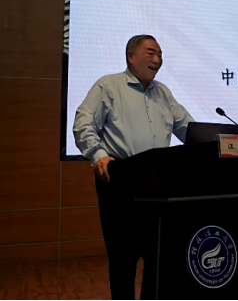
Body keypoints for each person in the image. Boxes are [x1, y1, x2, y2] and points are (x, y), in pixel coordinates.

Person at [73, 35, 194, 299]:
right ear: (131, 56)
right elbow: (83, 122)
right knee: (123, 260)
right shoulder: (108, 86)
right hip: (121, 182)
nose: (157, 60)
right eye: (151, 53)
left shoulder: (163, 93)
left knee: (160, 257)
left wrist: (218, 143)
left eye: (160, 55)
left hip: (159, 185)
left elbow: (189, 130)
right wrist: (98, 154)